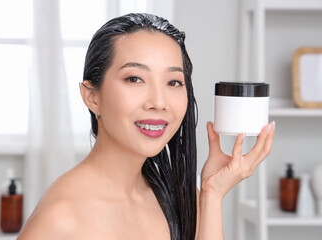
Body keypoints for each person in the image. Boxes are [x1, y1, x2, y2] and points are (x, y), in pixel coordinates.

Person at [17, 13, 275, 240]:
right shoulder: (61, 219)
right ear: (92, 97)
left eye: (173, 82)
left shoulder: (176, 195)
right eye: (135, 78)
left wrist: (212, 194)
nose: (159, 102)